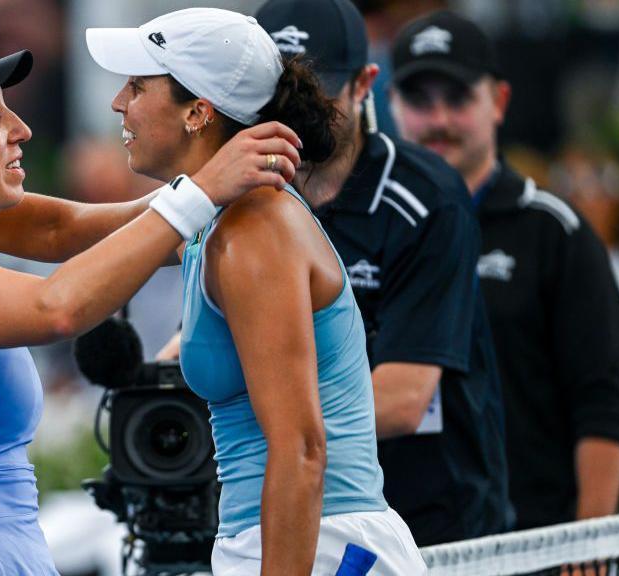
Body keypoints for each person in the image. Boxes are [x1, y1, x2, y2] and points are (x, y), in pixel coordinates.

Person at [0, 9, 425, 574]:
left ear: (199, 113)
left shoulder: (242, 223)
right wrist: (202, 190)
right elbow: (60, 290)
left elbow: (70, 233)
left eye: (137, 84)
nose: (116, 101)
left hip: (321, 545)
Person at [252, 0, 513, 545]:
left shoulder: (425, 200)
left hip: (433, 519)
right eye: (278, 94)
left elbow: (403, 397)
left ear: (366, 84)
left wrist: (252, 434)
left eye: (316, 93)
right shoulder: (248, 195)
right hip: (301, 508)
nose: (297, 113)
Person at [388, 10, 619, 530]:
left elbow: (605, 403)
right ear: (391, 105)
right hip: (404, 544)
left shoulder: (554, 232)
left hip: (535, 540)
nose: (439, 120)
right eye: (419, 101)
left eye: (457, 99)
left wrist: (588, 542)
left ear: (498, 101)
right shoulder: (375, 232)